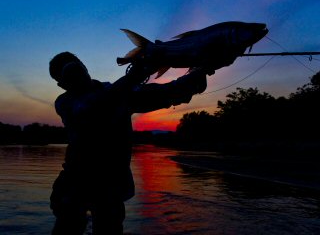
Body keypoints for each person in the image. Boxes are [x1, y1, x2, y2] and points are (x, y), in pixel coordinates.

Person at [48, 51, 237, 234]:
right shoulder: (65, 102)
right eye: (68, 73)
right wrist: (137, 74)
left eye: (77, 68)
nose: (76, 75)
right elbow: (97, 104)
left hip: (111, 186)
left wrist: (201, 70)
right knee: (69, 225)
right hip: (73, 184)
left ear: (85, 67)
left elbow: (167, 93)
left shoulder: (121, 93)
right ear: (61, 85)